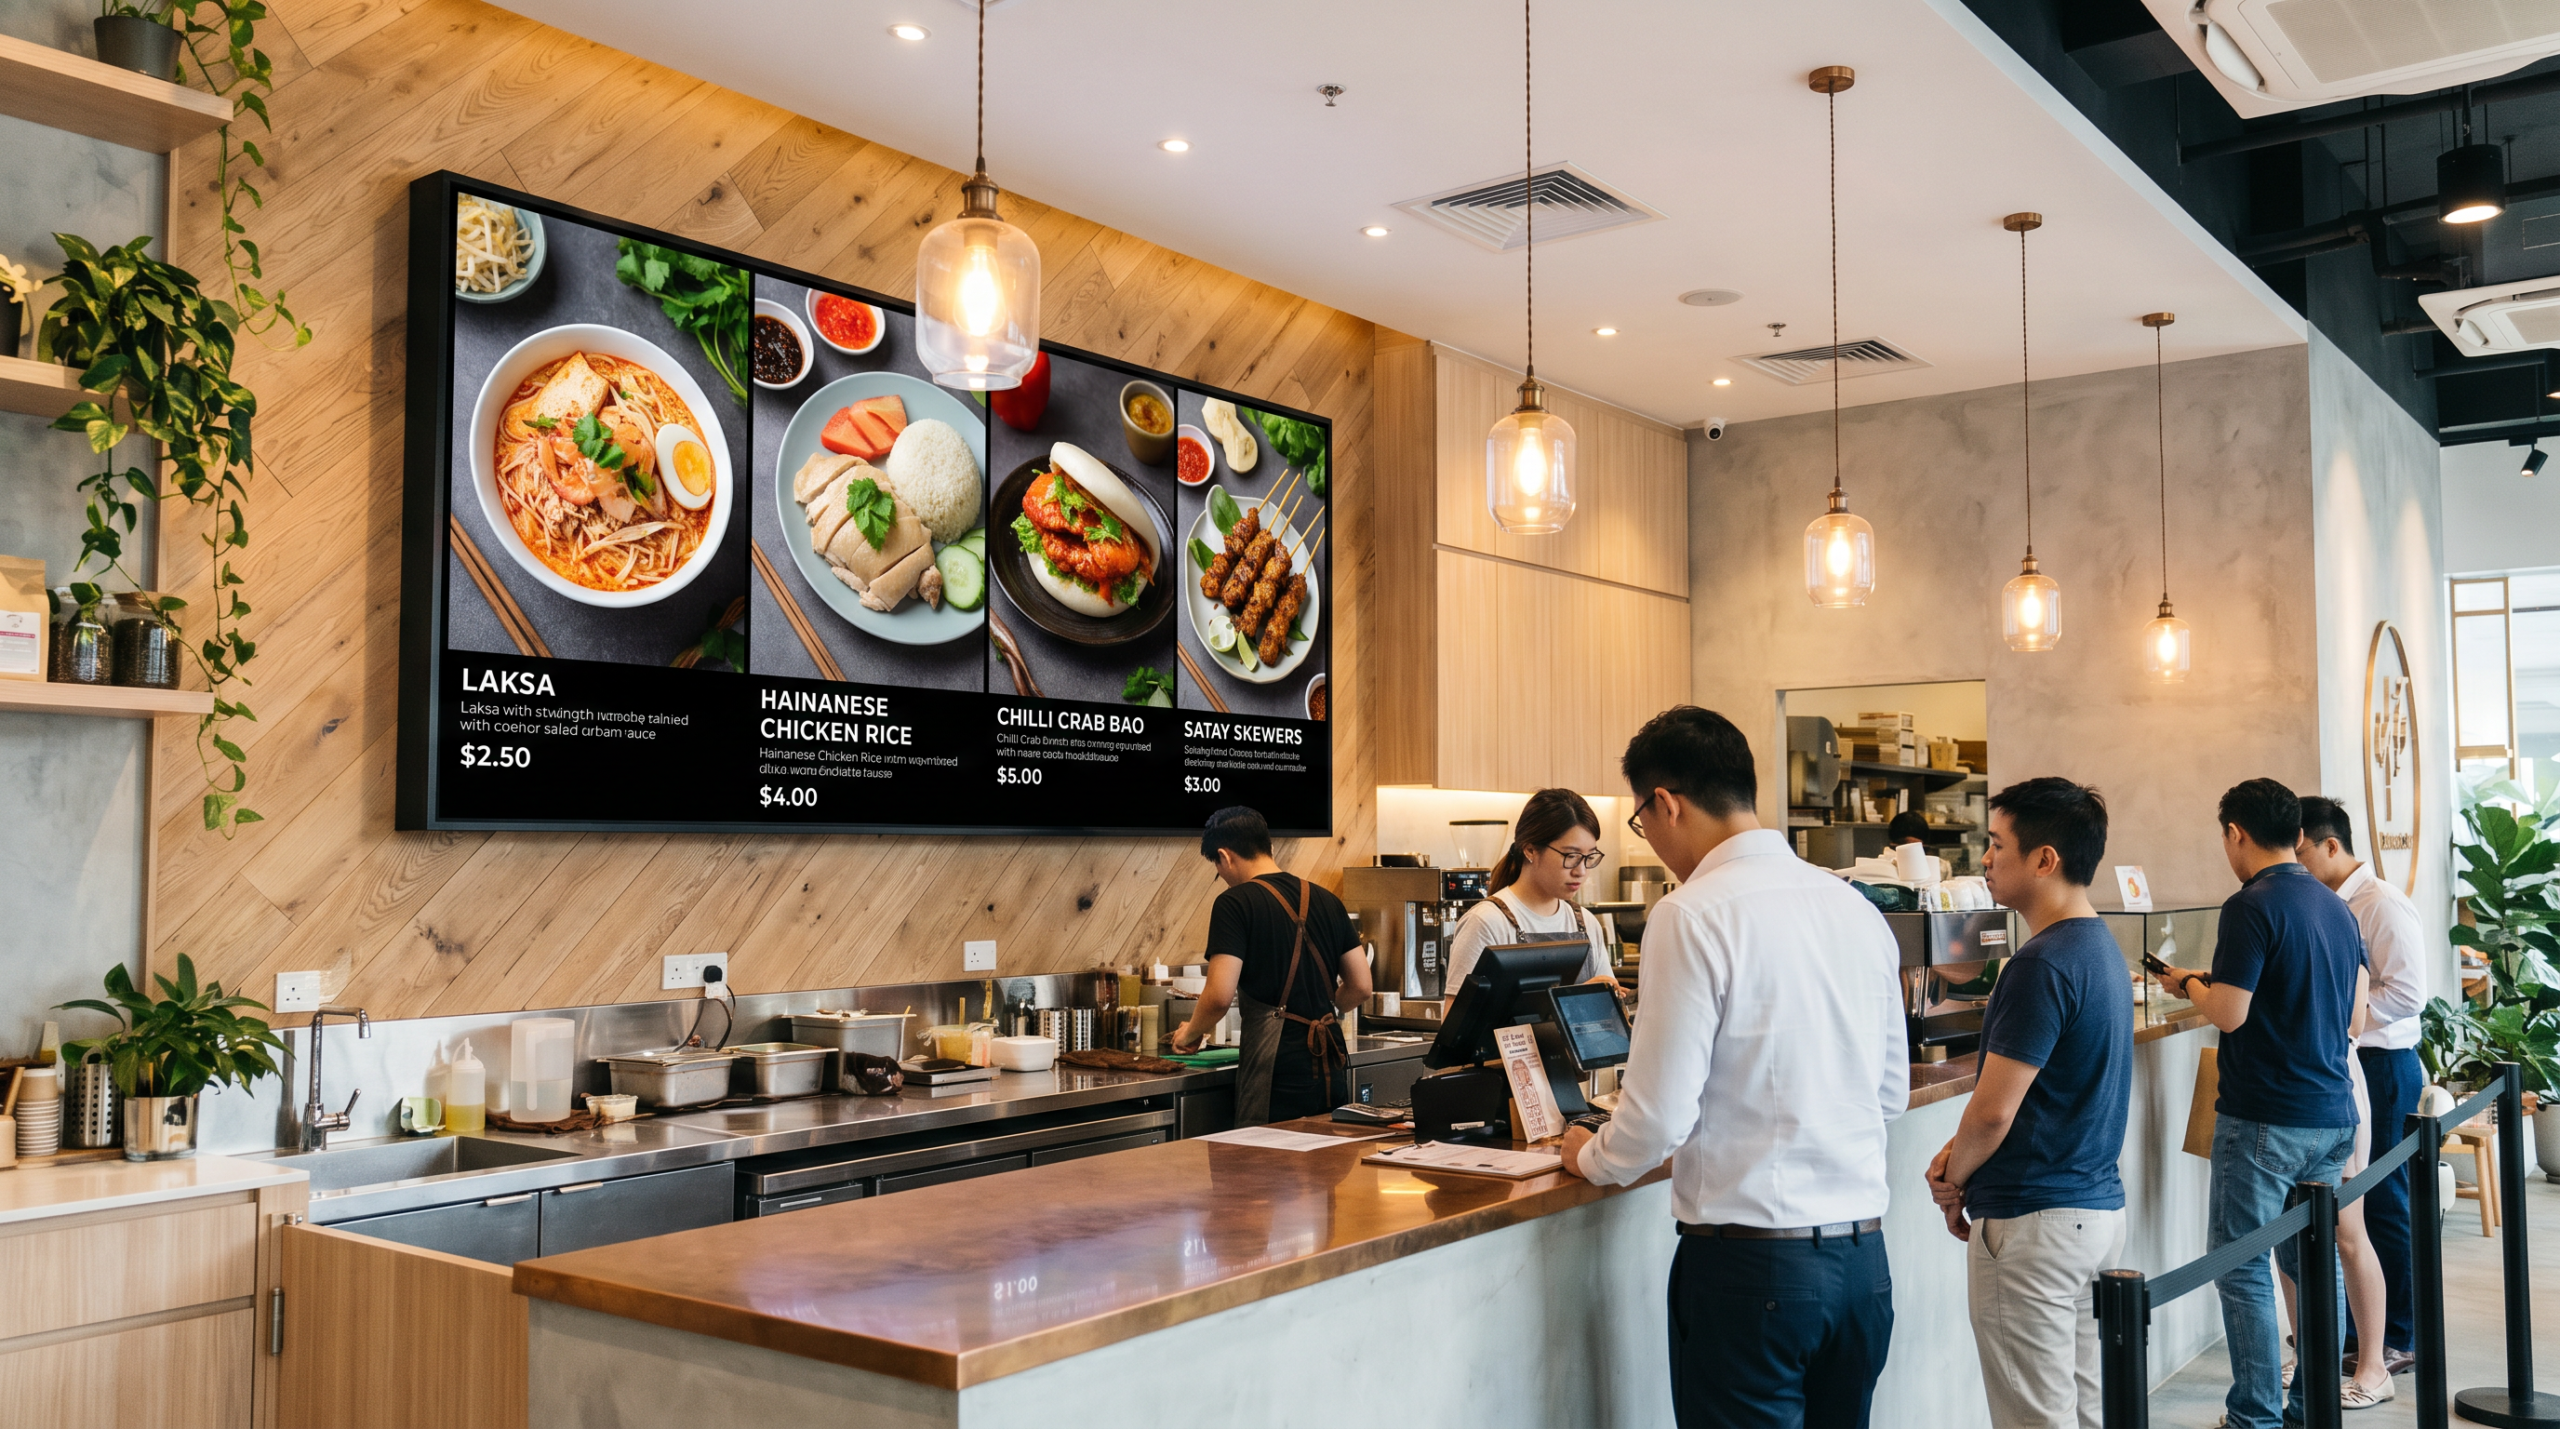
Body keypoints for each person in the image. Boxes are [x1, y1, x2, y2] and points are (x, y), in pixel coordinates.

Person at [1560, 706, 1908, 1429]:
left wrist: (1588, 1155)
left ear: (1666, 803)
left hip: (1753, 1275)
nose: (1652, 840)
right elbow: (1888, 1094)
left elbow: (1656, 1119)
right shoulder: (1855, 908)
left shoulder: (1689, 913)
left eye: (1641, 821)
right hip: (1863, 1266)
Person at [2157, 779, 2371, 1429]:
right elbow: (2356, 1016)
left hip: (2265, 1116)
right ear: (2299, 835)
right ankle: (2311, 1408)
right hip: (2332, 1113)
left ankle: (2255, 1417)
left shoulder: (2249, 905)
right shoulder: (2337, 907)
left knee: (2242, 1264)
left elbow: (2229, 1011)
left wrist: (2190, 982)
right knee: (2314, 1261)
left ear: (2235, 833)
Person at [1924, 778, 2131, 1429]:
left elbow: (1994, 1111)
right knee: (2088, 1411)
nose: (1985, 859)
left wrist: (1952, 1179)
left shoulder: (2040, 964)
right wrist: (1957, 1156)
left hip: (2034, 1222)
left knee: (2034, 1418)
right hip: (2094, 1214)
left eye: (1996, 844)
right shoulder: (2100, 946)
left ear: (2045, 859)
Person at [2298, 794, 2427, 1396]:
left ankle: (2399, 1337)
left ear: (2331, 845)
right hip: (2348, 1061)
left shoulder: (2379, 903)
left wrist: (2340, 1018)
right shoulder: (2325, 905)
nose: (2296, 864)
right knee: (2354, 1206)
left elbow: (2408, 994)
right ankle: (2358, 1336)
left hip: (2383, 1063)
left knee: (2383, 1202)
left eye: (2300, 851)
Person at [1168, 807, 1371, 1123]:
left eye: (1218, 870)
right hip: (1330, 1064)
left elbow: (1219, 996)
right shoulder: (1328, 900)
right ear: (1269, 847)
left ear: (1224, 856)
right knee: (1327, 1151)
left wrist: (1189, 1033)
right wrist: (1329, 1009)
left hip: (1276, 1069)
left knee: (1263, 1153)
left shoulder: (1234, 903)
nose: (1223, 879)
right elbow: (1361, 986)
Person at [1444, 788, 1621, 991]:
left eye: (1589, 857)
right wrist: (1576, 996)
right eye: (1571, 856)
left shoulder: (1586, 923)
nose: (1581, 871)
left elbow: (1607, 1003)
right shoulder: (1486, 923)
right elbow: (1458, 1011)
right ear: (1530, 850)